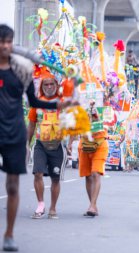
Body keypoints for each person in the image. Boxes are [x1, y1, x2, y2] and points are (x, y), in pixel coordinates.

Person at [0, 24, 73, 252]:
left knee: (13, 186)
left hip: (14, 133)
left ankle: (9, 235)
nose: (4, 46)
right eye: (1, 42)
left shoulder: (21, 69)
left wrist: (56, 104)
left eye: (8, 42)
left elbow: (34, 102)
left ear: (12, 43)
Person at [27, 71, 66, 220]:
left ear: (56, 86)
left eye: (52, 84)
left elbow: (73, 120)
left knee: (55, 179)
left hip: (57, 146)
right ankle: (41, 204)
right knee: (38, 174)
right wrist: (26, 144)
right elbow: (31, 125)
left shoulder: (63, 102)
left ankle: (53, 208)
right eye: (46, 84)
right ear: (42, 87)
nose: (49, 87)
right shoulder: (36, 105)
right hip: (40, 145)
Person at [69, 101, 109, 217]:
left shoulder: (103, 108)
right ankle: (93, 205)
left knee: (95, 174)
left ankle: (92, 205)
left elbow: (103, 123)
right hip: (85, 145)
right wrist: (70, 144)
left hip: (100, 144)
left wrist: (96, 112)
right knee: (88, 176)